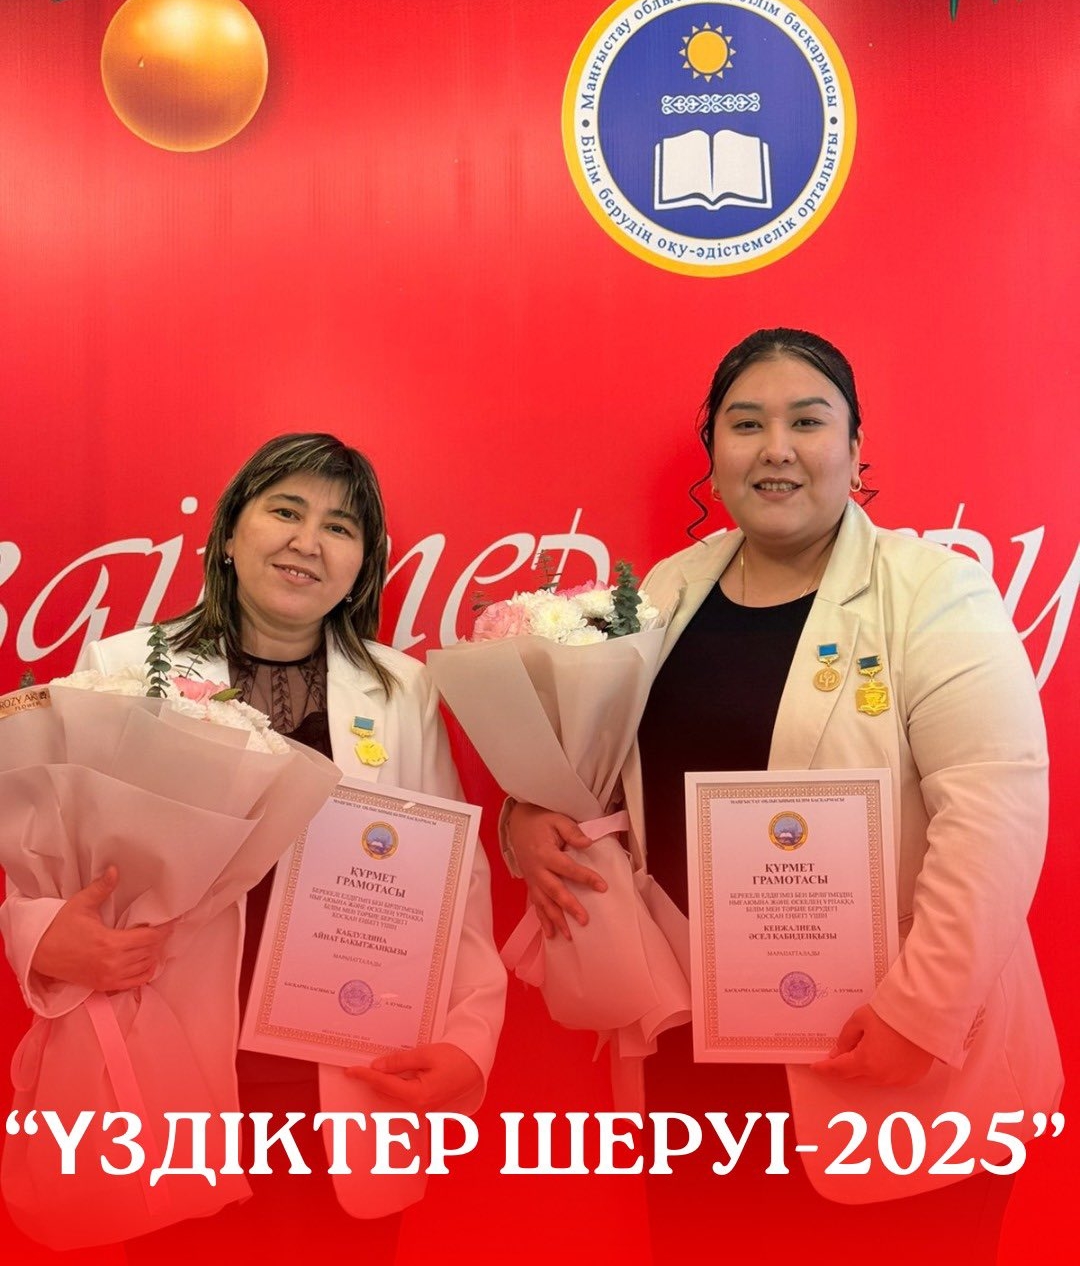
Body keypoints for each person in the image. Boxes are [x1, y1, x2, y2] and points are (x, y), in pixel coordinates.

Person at [506, 328, 1061, 1263]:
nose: (776, 449)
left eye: (807, 422)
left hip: (888, 1053)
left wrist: (921, 1013)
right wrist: (529, 816)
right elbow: (595, 768)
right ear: (714, 451)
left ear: (854, 445)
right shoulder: (667, 592)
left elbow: (993, 816)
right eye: (745, 424)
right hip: (699, 1063)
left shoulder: (934, 591)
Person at [1, 432, 506, 1259]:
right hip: (169, 1063)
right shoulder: (126, 666)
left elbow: (454, 880)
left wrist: (468, 1038)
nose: (308, 541)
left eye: (340, 527)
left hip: (346, 1072)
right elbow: (52, 852)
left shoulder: (399, 689)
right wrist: (43, 936)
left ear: (363, 565)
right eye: (285, 511)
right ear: (230, 534)